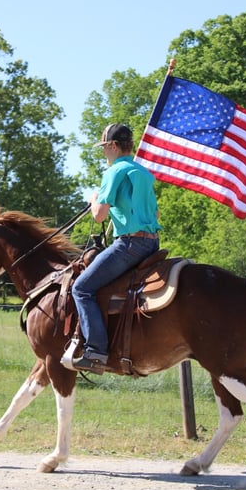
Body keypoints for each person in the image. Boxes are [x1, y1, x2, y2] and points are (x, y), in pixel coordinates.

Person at [70, 123, 162, 373]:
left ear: (112, 145)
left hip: (130, 244)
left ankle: (96, 351)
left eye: (104, 148)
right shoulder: (143, 172)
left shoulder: (115, 171)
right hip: (152, 243)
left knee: (82, 288)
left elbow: (99, 216)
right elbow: (156, 212)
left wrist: (94, 200)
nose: (103, 153)